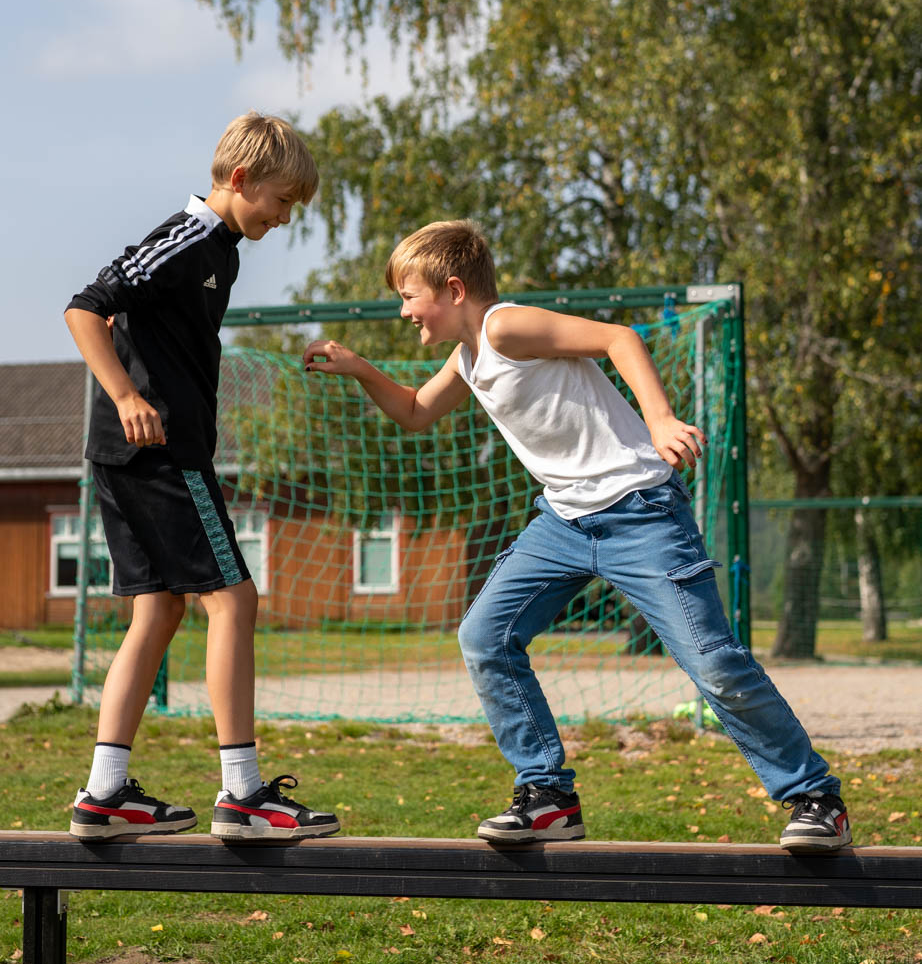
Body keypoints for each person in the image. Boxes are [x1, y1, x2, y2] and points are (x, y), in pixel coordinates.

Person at [303, 220, 851, 854]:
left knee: (713, 663)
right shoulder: (469, 357)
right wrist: (360, 368)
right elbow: (416, 411)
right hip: (563, 521)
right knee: (486, 636)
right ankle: (547, 796)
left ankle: (815, 798)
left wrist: (660, 418)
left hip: (639, 510)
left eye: (409, 296)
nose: (404, 312)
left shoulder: (505, 326)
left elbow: (618, 338)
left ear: (453, 289)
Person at [63, 110, 338, 843]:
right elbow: (85, 309)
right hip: (158, 453)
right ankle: (243, 793)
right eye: (281, 201)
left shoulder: (221, 248)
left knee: (159, 611)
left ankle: (104, 793)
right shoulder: (185, 240)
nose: (284, 218)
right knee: (233, 599)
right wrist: (126, 396)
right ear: (240, 178)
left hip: (131, 455)